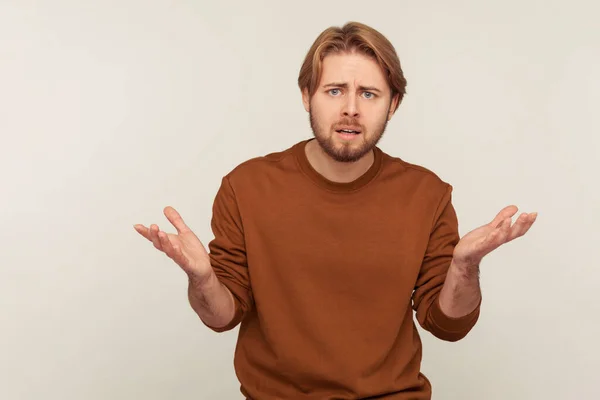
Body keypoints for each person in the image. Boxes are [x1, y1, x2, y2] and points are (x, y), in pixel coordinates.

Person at [134, 21, 537, 400]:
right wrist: (202, 278)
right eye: (334, 91)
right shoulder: (246, 187)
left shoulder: (427, 193)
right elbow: (221, 316)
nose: (351, 109)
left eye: (368, 93)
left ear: (393, 104)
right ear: (307, 95)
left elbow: (448, 325)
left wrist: (464, 267)